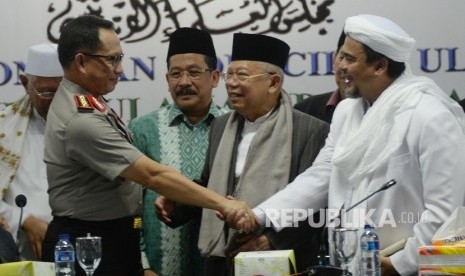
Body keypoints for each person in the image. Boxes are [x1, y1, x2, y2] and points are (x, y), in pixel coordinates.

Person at [230, 14, 465, 275]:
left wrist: (400, 264)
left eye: (349, 59)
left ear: (380, 66)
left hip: (406, 266)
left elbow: (444, 210)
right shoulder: (347, 112)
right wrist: (259, 214)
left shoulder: (429, 115)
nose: (339, 66)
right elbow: (322, 175)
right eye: (340, 56)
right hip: (353, 262)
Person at [40, 15, 255, 276]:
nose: (119, 69)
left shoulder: (91, 101)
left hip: (113, 236)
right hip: (90, 242)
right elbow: (152, 175)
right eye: (112, 59)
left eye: (120, 58)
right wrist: (225, 204)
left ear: (214, 77)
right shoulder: (80, 119)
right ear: (82, 62)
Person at [156, 33, 329, 275]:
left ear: (273, 83)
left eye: (242, 76)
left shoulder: (309, 130)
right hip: (221, 260)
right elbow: (211, 186)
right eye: (230, 74)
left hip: (279, 259)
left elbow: (319, 205)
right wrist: (178, 202)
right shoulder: (221, 125)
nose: (231, 83)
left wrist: (271, 241)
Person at [128, 27, 229, 276]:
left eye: (194, 73)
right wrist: (143, 264)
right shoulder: (142, 129)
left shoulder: (233, 127)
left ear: (215, 77)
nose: (184, 82)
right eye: (176, 74)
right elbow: (131, 209)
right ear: (167, 79)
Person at [0, 43, 63, 261]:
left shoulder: (89, 121)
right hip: (20, 251)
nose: (56, 99)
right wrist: (24, 219)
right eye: (47, 92)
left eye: (63, 90)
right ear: (26, 83)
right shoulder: (3, 129)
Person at [294, 31, 348, 123]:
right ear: (334, 59)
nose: (345, 66)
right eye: (342, 58)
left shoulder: (379, 112)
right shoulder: (305, 110)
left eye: (353, 60)